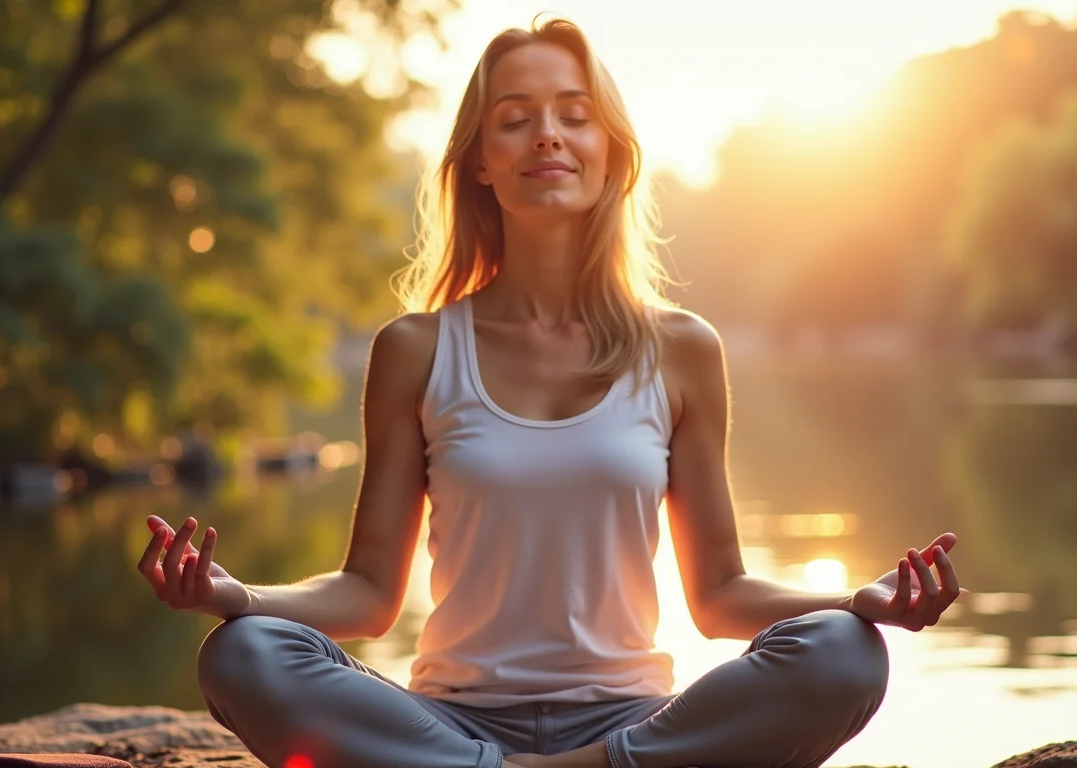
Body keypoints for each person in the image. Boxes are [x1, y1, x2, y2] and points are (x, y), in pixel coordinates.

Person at [136, 16, 963, 768]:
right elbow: (369, 595)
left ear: (610, 152)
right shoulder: (416, 349)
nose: (547, 136)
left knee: (846, 652)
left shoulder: (681, 349)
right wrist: (236, 597)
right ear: (482, 162)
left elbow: (717, 596)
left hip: (632, 728)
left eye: (574, 113)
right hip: (451, 727)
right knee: (242, 654)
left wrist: (859, 600)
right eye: (515, 117)